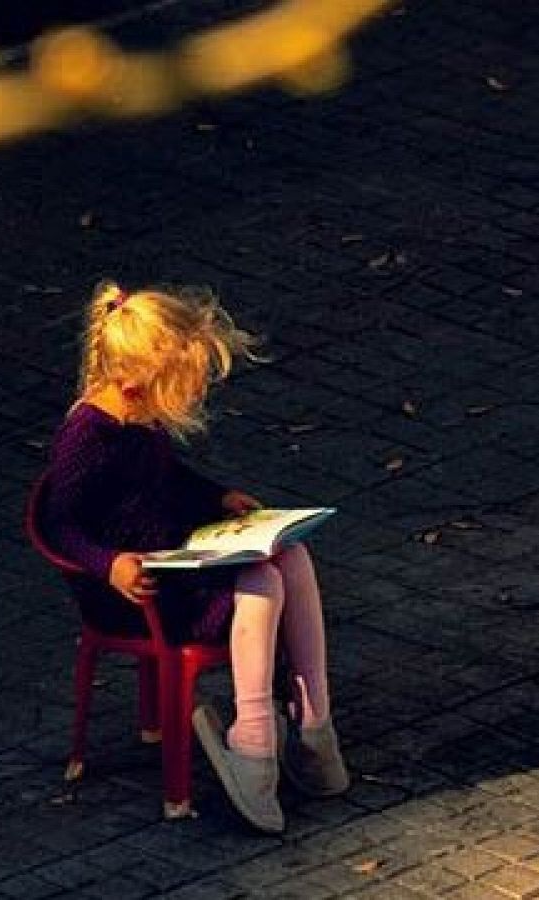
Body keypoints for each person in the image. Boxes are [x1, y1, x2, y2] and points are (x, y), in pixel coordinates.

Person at [37, 280, 349, 833]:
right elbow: (59, 524)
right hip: (140, 595)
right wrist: (110, 564)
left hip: (176, 564)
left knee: (292, 557)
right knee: (262, 584)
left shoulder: (139, 418)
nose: (188, 399)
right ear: (136, 381)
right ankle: (253, 738)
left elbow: (165, 478)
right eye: (180, 385)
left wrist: (216, 498)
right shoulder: (87, 435)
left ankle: (313, 722)